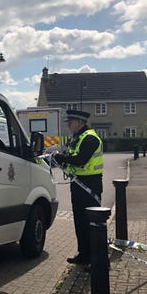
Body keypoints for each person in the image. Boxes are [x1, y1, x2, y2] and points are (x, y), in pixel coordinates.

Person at [53, 109, 103, 267]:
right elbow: (69, 158)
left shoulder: (90, 138)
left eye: (70, 122)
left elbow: (80, 160)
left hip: (90, 185)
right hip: (77, 184)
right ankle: (83, 254)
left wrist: (60, 157)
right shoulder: (76, 138)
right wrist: (56, 159)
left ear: (80, 122)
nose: (68, 125)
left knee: (91, 223)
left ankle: (95, 260)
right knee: (79, 222)